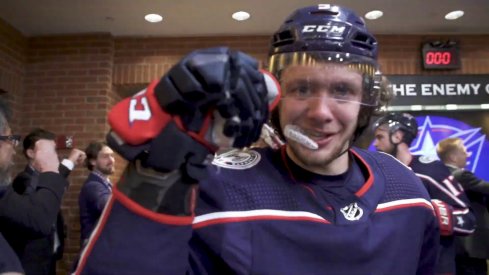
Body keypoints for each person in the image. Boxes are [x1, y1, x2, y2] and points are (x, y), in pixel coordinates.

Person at [76, 4, 439, 274]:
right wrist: (158, 175)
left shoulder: (405, 188)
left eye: (342, 91)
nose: (320, 111)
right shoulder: (217, 186)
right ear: (275, 96)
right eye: (302, 88)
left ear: (366, 104)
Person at [373, 112, 476, 275]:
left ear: (398, 136)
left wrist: (437, 216)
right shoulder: (378, 174)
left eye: (380, 137)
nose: (376, 144)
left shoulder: (430, 171)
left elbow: (468, 220)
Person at [0, 98, 70, 274]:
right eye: (10, 139)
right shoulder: (23, 180)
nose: (13, 148)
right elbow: (36, 218)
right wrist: (50, 167)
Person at [2, 128, 86, 275]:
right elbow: (38, 212)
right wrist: (62, 164)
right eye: (50, 151)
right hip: (30, 263)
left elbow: (51, 185)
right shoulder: (24, 180)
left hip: (48, 258)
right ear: (31, 153)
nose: (55, 157)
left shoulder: (42, 178)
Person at [437, 137, 489, 275]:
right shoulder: (461, 175)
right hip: (470, 248)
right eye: (464, 150)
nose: (468, 154)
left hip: (451, 246)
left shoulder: (437, 176)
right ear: (453, 157)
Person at [78, 141, 114, 247]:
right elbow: (111, 207)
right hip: (95, 246)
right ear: (93, 161)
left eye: (112, 156)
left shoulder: (105, 183)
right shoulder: (93, 186)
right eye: (105, 156)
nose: (111, 160)